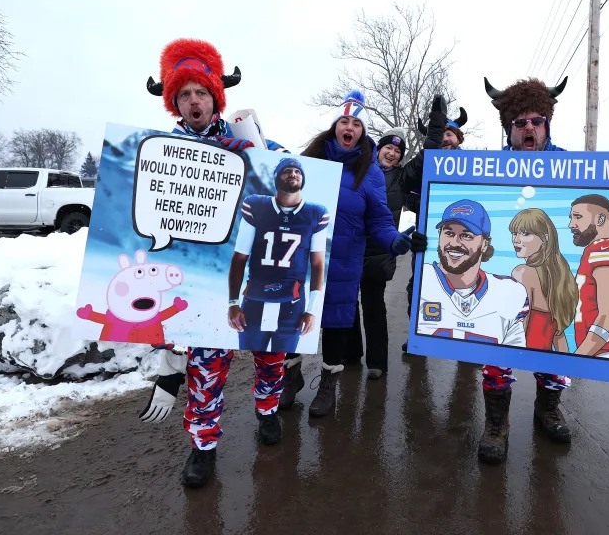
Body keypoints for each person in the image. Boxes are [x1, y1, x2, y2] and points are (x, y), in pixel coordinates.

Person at [136, 38, 288, 489]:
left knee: (270, 352)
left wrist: (271, 161)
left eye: (201, 92)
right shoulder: (161, 154)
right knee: (206, 365)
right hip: (203, 280)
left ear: (215, 97)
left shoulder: (255, 142)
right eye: (184, 94)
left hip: (258, 270)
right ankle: (203, 446)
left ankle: (268, 412)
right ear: (175, 104)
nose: (194, 100)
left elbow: (296, 187)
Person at [477, 74, 609, 460]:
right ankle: (496, 422)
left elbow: (607, 216)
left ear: (547, 124)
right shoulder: (482, 171)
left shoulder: (574, 167)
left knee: (555, 346)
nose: (528, 128)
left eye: (536, 121)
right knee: (497, 347)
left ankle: (547, 407)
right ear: (508, 126)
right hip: (507, 285)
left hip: (554, 279)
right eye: (520, 122)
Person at [278, 90, 425, 416]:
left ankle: (329, 384)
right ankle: (291, 377)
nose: (349, 127)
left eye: (356, 123)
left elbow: (379, 220)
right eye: (343, 121)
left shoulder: (368, 172)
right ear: (335, 126)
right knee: (291, 319)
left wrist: (393, 241)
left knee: (334, 323)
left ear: (362, 131)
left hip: (345, 261)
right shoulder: (309, 160)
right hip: (303, 259)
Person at [228, 157, 328, 354]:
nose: (293, 174)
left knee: (279, 362)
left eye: (298, 172)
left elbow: (317, 265)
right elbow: (240, 257)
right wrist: (233, 303)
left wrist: (312, 310)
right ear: (276, 178)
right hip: (256, 296)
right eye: (287, 171)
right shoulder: (256, 206)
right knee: (249, 355)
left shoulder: (315, 213)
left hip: (293, 302)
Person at [400, 97, 467, 352]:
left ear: (459, 139)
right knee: (419, 287)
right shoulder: (422, 164)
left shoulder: (474, 167)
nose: (444, 139)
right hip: (427, 239)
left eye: (449, 133)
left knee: (465, 289)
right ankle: (420, 336)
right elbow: (404, 189)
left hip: (465, 242)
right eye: (440, 134)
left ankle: (467, 342)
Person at [417, 199, 530, 345]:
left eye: (466, 235)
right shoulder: (422, 277)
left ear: (484, 244)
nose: (455, 243)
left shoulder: (510, 292)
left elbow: (511, 357)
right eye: (449, 233)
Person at [345, 128, 408, 379]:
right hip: (350, 248)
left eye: (397, 151)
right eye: (388, 148)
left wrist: (434, 132)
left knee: (373, 307)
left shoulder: (402, 178)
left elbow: (426, 161)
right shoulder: (359, 169)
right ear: (378, 149)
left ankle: (377, 362)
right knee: (348, 305)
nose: (391, 153)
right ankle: (350, 354)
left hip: (379, 252)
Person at [567, 195, 609, 359]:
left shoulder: (606, 250)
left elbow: (608, 319)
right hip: (602, 351)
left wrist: (576, 360)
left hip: (606, 353)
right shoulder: (598, 249)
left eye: (578, 217)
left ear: (601, 218)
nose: (571, 224)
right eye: (571, 217)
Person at [508, 208, 578, 353]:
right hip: (545, 364)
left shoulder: (523, 273)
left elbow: (520, 326)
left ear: (545, 238)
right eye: (515, 233)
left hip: (521, 359)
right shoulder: (561, 278)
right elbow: (559, 337)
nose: (516, 239)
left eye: (525, 233)